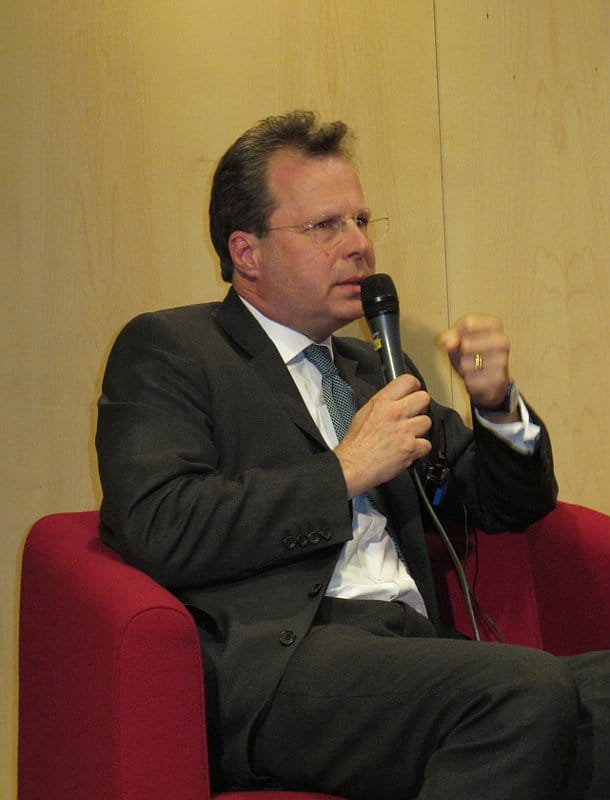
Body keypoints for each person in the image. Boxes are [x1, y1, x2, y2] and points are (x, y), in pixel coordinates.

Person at [96, 110, 609, 799]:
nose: (360, 246)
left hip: (413, 654)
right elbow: (162, 525)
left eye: (362, 221)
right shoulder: (173, 350)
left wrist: (497, 407)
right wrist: (344, 471)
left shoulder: (372, 368)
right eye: (325, 226)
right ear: (247, 252)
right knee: (523, 689)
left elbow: (510, 505)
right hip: (286, 665)